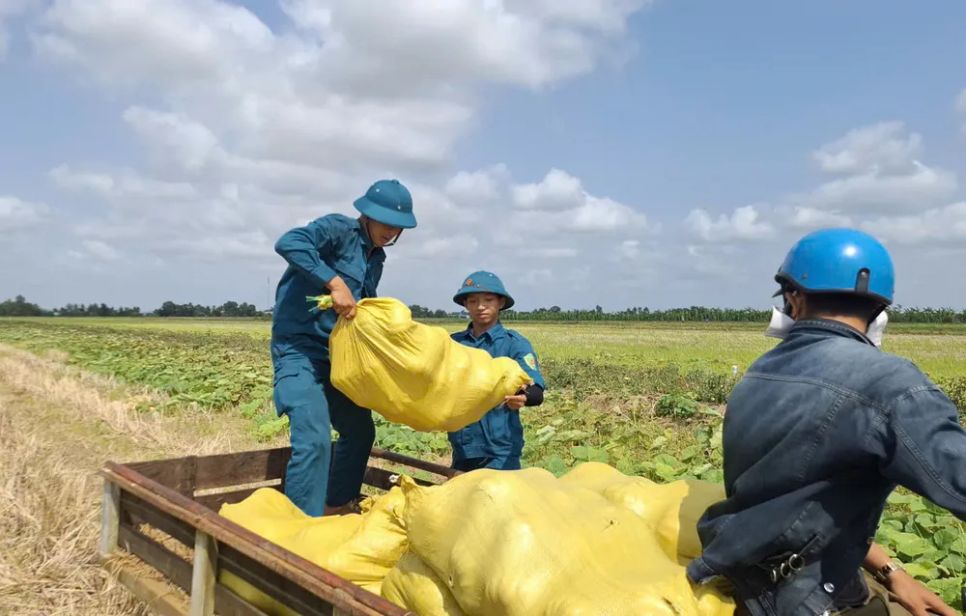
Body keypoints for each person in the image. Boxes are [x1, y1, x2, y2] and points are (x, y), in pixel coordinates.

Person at [687, 228, 964, 616]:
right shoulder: (891, 384)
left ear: (794, 298)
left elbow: (807, 502)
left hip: (754, 589)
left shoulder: (759, 374)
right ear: (880, 309)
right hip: (814, 601)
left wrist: (891, 571)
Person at [271, 179, 416, 516]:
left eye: (398, 227)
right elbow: (289, 242)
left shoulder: (376, 258)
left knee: (360, 430)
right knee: (315, 439)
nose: (391, 232)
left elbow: (361, 306)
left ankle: (336, 505)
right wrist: (334, 282)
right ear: (366, 215)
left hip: (337, 357)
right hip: (299, 350)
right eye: (385, 222)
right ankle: (300, 533)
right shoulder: (338, 229)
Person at [448, 271, 545, 471]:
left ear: (500, 303)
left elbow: (536, 391)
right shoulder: (453, 344)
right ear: (465, 305)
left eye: (488, 300)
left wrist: (524, 397)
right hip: (463, 446)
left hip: (500, 451)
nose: (480, 306)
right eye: (473, 301)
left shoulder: (514, 344)